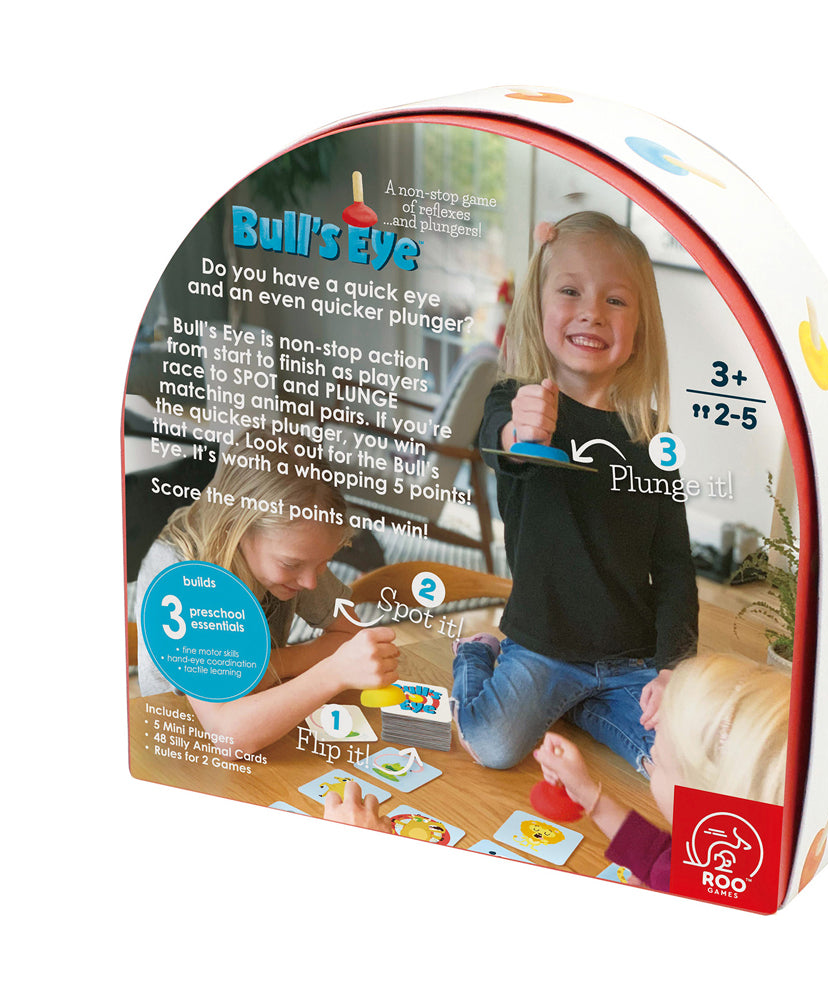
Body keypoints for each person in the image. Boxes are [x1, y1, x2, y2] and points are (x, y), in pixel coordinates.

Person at [452, 211, 699, 775]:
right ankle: (475, 654)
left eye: (616, 300)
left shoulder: (653, 438)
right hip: (542, 648)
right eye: (570, 291)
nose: (593, 312)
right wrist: (521, 433)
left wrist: (673, 669)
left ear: (640, 330)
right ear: (538, 308)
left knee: (676, 765)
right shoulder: (514, 401)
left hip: (631, 660)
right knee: (492, 746)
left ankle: (581, 705)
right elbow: (500, 442)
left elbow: (674, 564)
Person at [134, 432, 399, 753]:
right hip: (183, 748)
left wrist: (272, 665)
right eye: (292, 564)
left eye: (322, 564)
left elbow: (351, 637)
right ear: (237, 529)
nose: (311, 582)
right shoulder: (185, 574)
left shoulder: (296, 552)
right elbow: (228, 735)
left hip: (266, 726)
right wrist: (333, 671)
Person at [533, 654, 790, 891]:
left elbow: (662, 864)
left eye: (660, 761)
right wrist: (586, 793)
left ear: (704, 807)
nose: (652, 751)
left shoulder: (690, 891)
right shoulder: (743, 858)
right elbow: (660, 857)